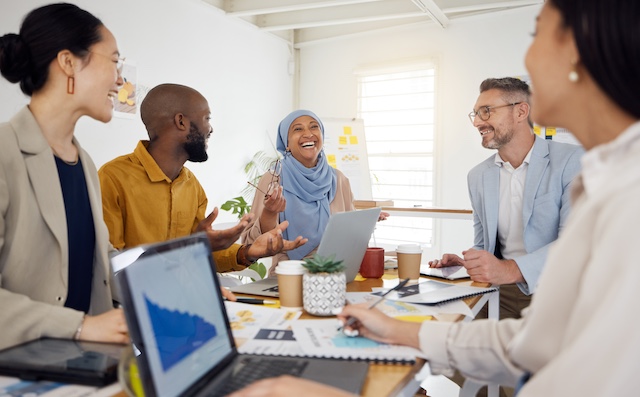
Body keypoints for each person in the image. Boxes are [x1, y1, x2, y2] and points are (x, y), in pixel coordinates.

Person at [230, 0, 640, 395]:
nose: (528, 56)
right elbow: (532, 345)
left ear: (581, 51)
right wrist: (399, 330)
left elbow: (585, 373)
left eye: (537, 33)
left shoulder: (620, 188)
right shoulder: (605, 174)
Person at [0, 3, 129, 350]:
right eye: (114, 61)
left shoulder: (82, 160)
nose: (120, 79)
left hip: (82, 364)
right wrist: (81, 326)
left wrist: (175, 286)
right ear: (69, 62)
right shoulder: (4, 152)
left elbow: (98, 259)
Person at [98, 84, 307, 273]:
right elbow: (111, 266)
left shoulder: (191, 186)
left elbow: (200, 254)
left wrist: (248, 252)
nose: (211, 129)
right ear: (181, 121)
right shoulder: (113, 179)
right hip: (128, 310)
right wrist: (186, 250)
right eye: (207, 118)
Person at [429, 77, 583, 320]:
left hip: (557, 294)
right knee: (447, 331)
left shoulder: (570, 161)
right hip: (499, 293)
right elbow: (484, 245)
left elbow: (574, 244)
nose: (478, 122)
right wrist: (468, 264)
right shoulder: (478, 176)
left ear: (521, 111)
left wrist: (508, 270)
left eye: (486, 112)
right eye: (476, 114)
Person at [242, 109, 387, 275]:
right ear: (286, 143)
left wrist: (364, 223)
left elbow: (349, 235)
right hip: (290, 277)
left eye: (314, 127)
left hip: (337, 275)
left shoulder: (338, 179)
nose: (308, 134)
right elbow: (250, 243)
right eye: (298, 129)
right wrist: (269, 213)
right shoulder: (273, 179)